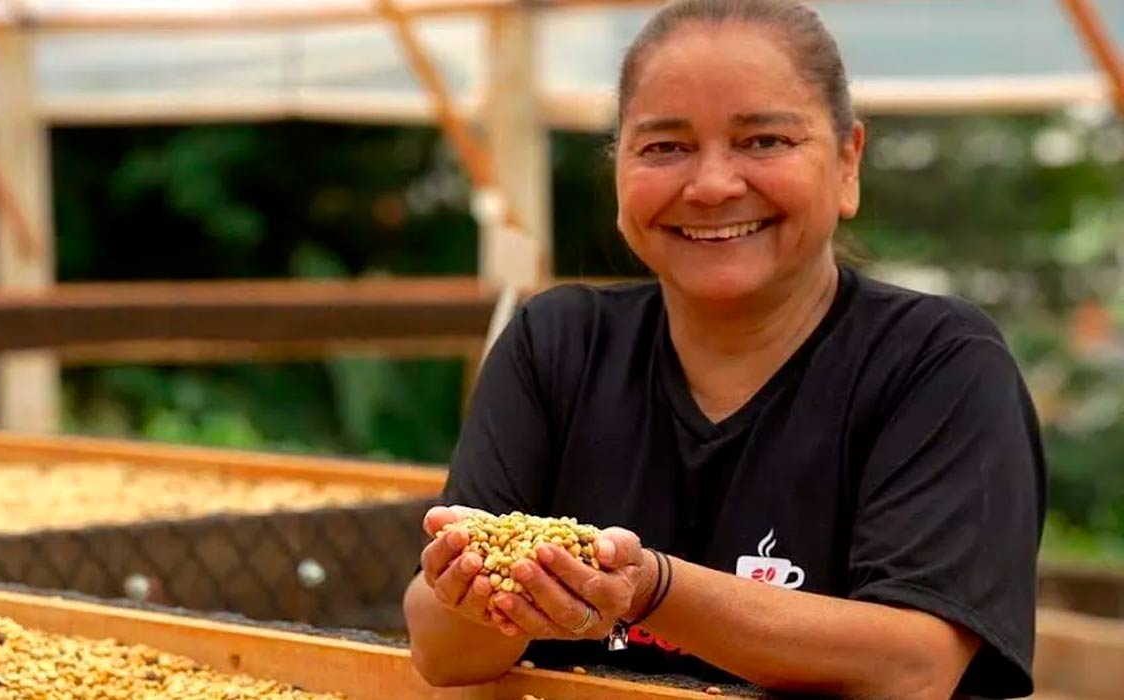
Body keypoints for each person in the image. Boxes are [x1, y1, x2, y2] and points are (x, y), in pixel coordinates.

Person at [403, 0, 1046, 697]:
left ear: (848, 163)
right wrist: (472, 591)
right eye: (664, 147)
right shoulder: (557, 345)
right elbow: (441, 653)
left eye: (765, 141)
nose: (711, 185)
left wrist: (652, 590)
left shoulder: (937, 363)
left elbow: (913, 666)